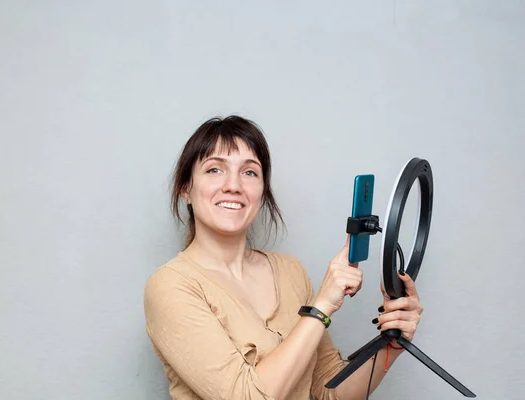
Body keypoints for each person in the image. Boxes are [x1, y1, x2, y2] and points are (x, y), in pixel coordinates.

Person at [143, 115, 424, 400]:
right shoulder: (170, 286)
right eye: (214, 169)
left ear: (262, 191)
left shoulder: (290, 271)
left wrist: (392, 342)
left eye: (250, 172)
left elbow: (332, 391)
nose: (233, 185)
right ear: (186, 189)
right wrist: (321, 307)